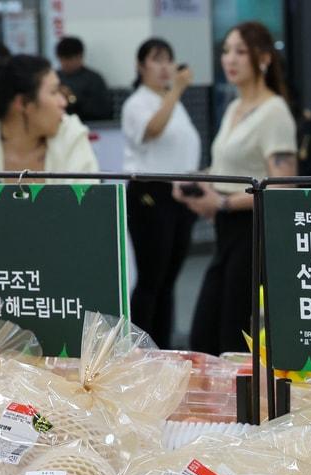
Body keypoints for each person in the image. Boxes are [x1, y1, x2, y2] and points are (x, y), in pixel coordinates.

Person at [174, 21, 296, 356]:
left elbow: (280, 188)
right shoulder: (233, 108)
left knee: (230, 337)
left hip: (252, 232)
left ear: (263, 58)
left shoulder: (274, 112)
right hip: (226, 231)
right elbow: (225, 169)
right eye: (227, 50)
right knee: (204, 334)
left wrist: (224, 203)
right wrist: (194, 181)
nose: (231, 59)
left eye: (241, 51)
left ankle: (241, 407)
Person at [122, 38, 201, 349]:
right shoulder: (137, 103)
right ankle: (140, 349)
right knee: (151, 278)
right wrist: (177, 89)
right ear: (141, 66)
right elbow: (152, 130)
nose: (166, 66)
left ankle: (164, 347)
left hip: (179, 193)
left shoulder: (173, 103)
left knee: (168, 280)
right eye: (157, 59)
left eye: (169, 59)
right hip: (149, 191)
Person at [0, 50, 97, 176]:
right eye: (53, 92)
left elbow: (88, 205)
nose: (63, 102)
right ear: (23, 103)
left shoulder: (71, 141)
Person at [55, 36, 112, 122]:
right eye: (62, 59)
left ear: (80, 57)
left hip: (88, 125)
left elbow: (104, 112)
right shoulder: (54, 78)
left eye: (69, 59)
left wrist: (72, 98)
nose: (65, 63)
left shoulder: (94, 80)